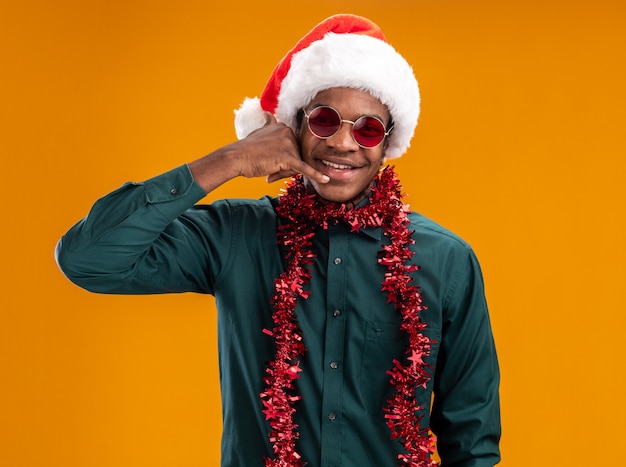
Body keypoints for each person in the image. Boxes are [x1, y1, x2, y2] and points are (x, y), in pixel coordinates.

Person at [55, 14, 501, 467]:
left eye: (367, 128)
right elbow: (88, 257)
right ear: (294, 130)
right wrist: (228, 160)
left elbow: (472, 438)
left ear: (387, 144)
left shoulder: (444, 260)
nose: (344, 143)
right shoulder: (234, 235)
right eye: (325, 121)